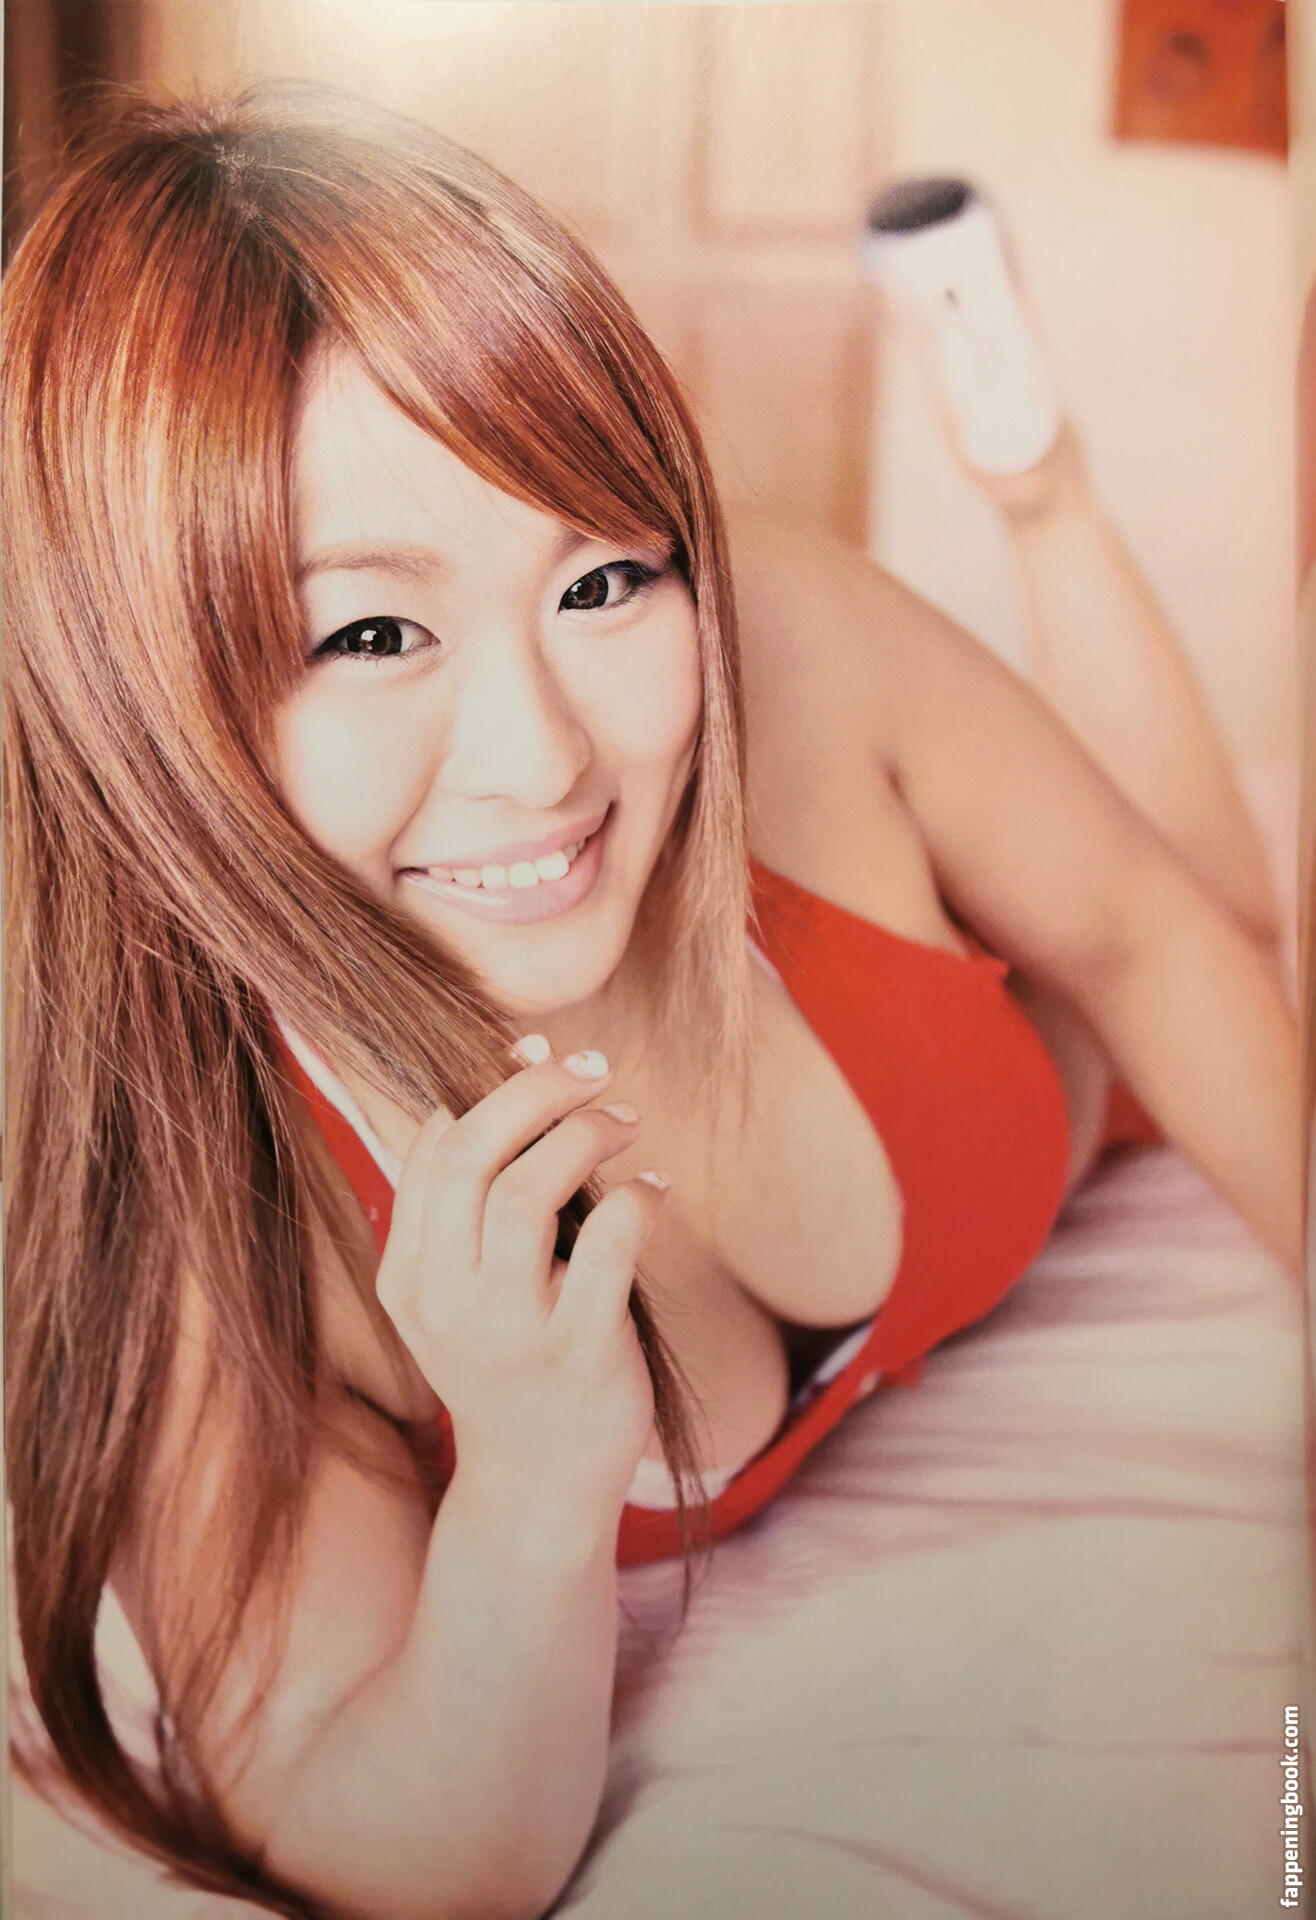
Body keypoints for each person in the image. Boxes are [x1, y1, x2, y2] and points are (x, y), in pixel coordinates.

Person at [4, 87, 1299, 1920]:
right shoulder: (203, 1223)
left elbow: (1146, 946)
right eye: (369, 632)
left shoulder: (785, 631)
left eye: (602, 578)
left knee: (1226, 917)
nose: (546, 760)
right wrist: (533, 1478)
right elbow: (426, 1856)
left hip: (1041, 1090)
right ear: (133, 693)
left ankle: (1036, 484)